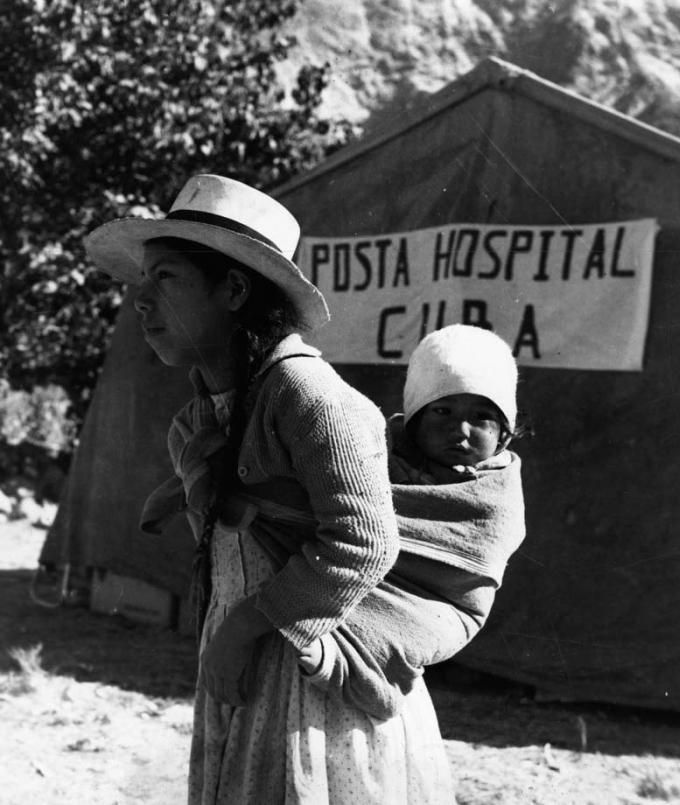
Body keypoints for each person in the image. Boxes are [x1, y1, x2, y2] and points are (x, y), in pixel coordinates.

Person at [84, 174, 456, 804]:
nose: (140, 300)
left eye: (166, 278)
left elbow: (364, 545)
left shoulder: (310, 400)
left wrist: (239, 632)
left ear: (232, 290)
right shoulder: (207, 416)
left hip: (314, 678)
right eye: (141, 281)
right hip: (251, 663)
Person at [293, 324, 526, 718]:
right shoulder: (371, 450)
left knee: (415, 628)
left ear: (504, 432)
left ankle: (358, 669)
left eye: (482, 416)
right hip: (345, 590)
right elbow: (346, 506)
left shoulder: (495, 491)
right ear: (413, 417)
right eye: (442, 411)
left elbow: (476, 558)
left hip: (443, 604)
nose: (461, 430)